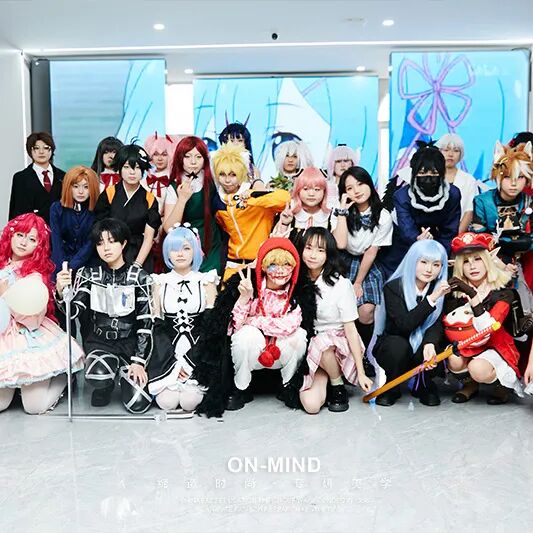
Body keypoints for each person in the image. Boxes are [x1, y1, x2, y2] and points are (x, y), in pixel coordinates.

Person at [193, 237, 317, 417]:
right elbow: (234, 326)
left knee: (299, 336)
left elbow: (290, 325)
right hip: (254, 351)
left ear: (294, 267)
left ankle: (288, 386)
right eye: (273, 265)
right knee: (245, 335)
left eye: (286, 265)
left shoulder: (298, 292)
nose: (280, 271)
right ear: (264, 267)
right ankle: (241, 388)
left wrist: (254, 320)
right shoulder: (250, 287)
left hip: (281, 349)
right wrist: (245, 298)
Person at [55, 218, 155, 412]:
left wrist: (139, 361)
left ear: (123, 243)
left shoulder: (140, 277)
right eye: (100, 243)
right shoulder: (89, 275)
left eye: (111, 241)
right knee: (98, 374)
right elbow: (73, 312)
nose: (106, 248)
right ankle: (105, 386)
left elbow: (146, 323)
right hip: (100, 342)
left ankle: (123, 374)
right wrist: (61, 292)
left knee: (138, 404)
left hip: (130, 344)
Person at [0, 213, 84, 414]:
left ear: (39, 245)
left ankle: (62, 376)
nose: (23, 243)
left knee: (34, 407)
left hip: (28, 335)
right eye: (20, 235)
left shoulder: (35, 274)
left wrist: (7, 295)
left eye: (31, 239)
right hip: (2, 336)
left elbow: (32, 318)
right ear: (10, 235)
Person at [298, 228, 373, 414]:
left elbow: (351, 329)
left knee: (322, 344)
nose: (313, 255)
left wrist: (361, 372)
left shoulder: (340, 284)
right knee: (311, 405)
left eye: (320, 250)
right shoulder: (296, 279)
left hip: (336, 346)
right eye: (308, 248)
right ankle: (328, 379)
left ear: (328, 254)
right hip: (309, 347)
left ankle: (337, 384)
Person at [444, 232, 523, 405]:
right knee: (454, 359)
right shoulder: (455, 293)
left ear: (488, 260)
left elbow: (487, 329)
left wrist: (472, 296)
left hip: (496, 345)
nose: (472, 266)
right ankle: (470, 385)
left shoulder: (504, 292)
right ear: (459, 266)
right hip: (467, 344)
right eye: (466, 261)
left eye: (478, 259)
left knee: (478, 368)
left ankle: (503, 386)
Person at [147, 225, 218, 411]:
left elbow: (211, 327)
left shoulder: (207, 281)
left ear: (195, 250)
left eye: (186, 248)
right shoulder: (159, 282)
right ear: (167, 252)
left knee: (189, 402)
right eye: (174, 249)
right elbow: (156, 326)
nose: (180, 254)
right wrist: (174, 365)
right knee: (167, 403)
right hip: (167, 355)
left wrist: (189, 362)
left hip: (198, 353)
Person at [371, 240, 449, 407]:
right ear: (412, 261)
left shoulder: (442, 289)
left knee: (435, 345)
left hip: (422, 345)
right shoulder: (393, 287)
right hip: (396, 342)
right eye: (423, 262)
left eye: (436, 265)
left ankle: (424, 383)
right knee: (396, 347)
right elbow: (403, 325)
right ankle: (392, 386)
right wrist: (431, 299)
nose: (429, 269)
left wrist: (430, 343)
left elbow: (437, 323)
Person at [331, 166, 393, 373]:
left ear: (369, 184)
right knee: (340, 311)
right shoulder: (339, 212)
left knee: (366, 311)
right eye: (349, 188)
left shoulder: (383, 215)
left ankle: (363, 354)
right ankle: (344, 353)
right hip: (341, 261)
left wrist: (357, 283)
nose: (356, 190)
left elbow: (371, 252)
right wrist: (342, 211)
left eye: (360, 184)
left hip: (367, 264)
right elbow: (340, 244)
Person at [379, 140, 461, 277]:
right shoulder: (402, 196)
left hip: (438, 246)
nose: (428, 178)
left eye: (434, 173)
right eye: (422, 173)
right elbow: (406, 228)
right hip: (404, 248)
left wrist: (438, 255)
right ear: (414, 173)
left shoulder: (453, 194)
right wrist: (418, 240)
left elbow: (450, 230)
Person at [211, 143, 290, 281]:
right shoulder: (217, 202)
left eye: (233, 175)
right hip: (233, 265)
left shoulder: (254, 195)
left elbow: (285, 199)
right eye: (222, 174)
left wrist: (253, 198)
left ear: (241, 175)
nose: (227, 180)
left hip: (262, 263)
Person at [94, 144, 161, 272]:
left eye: (137, 167)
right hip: (111, 252)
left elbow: (149, 237)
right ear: (119, 168)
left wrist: (137, 265)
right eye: (126, 167)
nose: (132, 172)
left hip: (139, 254)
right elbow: (99, 229)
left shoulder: (149, 199)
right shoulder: (109, 194)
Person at [163, 136, 223, 274]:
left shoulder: (213, 178)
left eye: (198, 157)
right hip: (184, 248)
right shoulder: (174, 186)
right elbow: (169, 228)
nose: (193, 162)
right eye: (188, 156)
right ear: (180, 158)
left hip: (211, 243)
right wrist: (182, 199)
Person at [50, 166, 100, 276]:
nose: (81, 192)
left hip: (89, 262)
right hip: (62, 261)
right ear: (68, 187)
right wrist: (62, 268)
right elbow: (56, 241)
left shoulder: (97, 209)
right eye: (76, 186)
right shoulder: (56, 208)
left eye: (86, 187)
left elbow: (90, 243)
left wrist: (72, 266)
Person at [9, 132, 65, 224]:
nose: (41, 152)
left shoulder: (63, 176)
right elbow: (16, 211)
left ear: (51, 150)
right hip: (32, 229)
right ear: (30, 151)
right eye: (36, 148)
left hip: (59, 229)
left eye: (46, 148)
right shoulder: (20, 178)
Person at [271, 167, 331, 245]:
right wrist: (284, 224)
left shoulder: (331, 216)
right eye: (305, 189)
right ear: (298, 191)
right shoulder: (288, 213)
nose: (311, 194)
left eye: (317, 189)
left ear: (324, 192)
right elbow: (276, 244)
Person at [435, 133, 479, 234]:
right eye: (446, 150)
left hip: (459, 234)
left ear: (461, 154)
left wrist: (456, 235)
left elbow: (469, 210)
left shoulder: (469, 180)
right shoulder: (431, 177)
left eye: (456, 151)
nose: (450, 154)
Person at [218, 119, 262, 183]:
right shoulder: (216, 165)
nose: (236, 144)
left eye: (240, 141)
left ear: (246, 144)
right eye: (231, 141)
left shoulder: (253, 170)